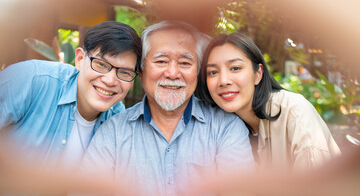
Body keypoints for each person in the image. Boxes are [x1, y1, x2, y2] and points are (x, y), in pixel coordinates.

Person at [81, 21, 254, 196]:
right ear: (140, 71)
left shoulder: (226, 128)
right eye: (161, 61)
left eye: (185, 63)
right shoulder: (113, 133)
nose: (172, 73)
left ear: (198, 72)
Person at [0, 21, 142, 169]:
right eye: (101, 64)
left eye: (124, 72)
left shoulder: (117, 119)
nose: (110, 80)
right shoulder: (32, 79)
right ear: (80, 59)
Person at [198, 32, 341, 171]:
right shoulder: (218, 126)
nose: (223, 81)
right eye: (213, 72)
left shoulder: (294, 112)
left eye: (235, 68)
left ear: (258, 74)